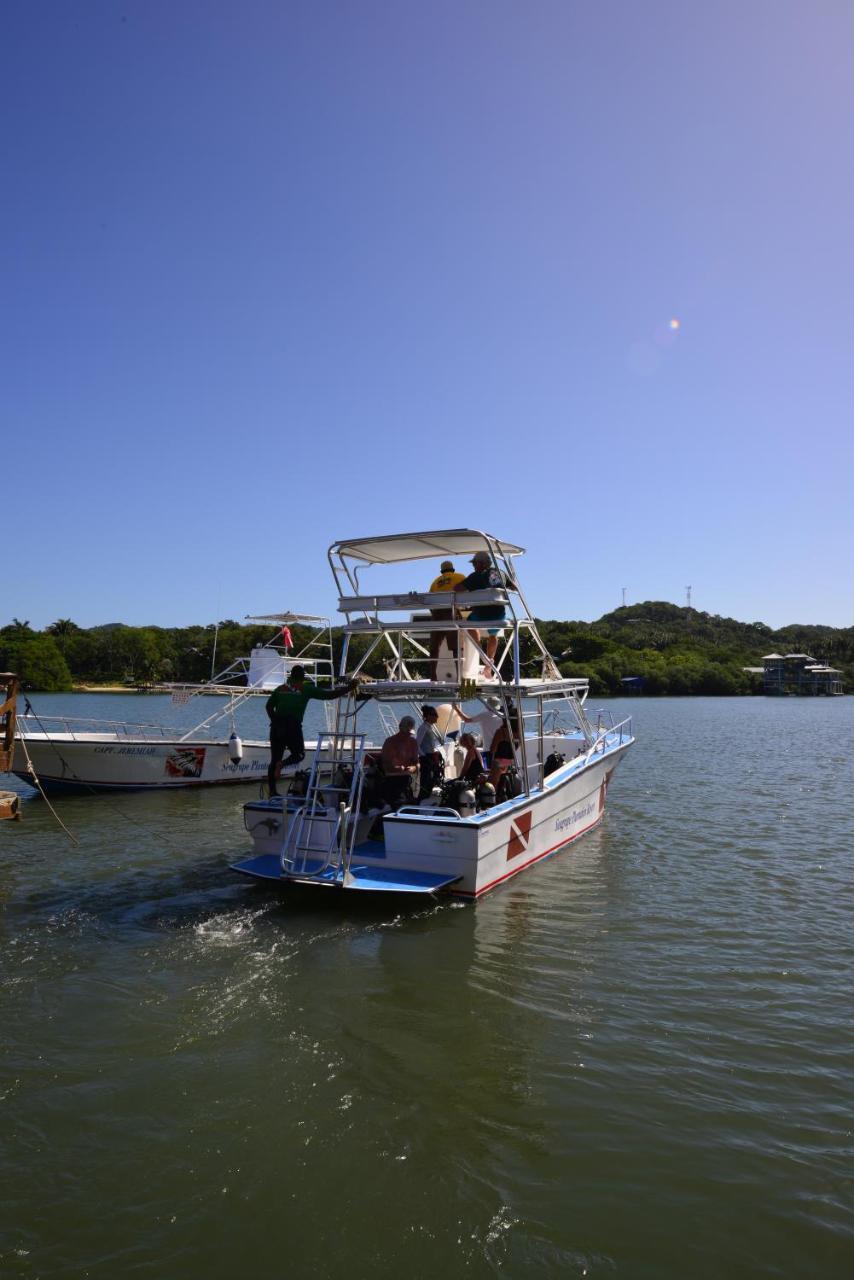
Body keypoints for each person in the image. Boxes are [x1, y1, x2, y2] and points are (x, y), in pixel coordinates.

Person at [265, 664, 352, 796]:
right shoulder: (305, 689)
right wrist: (349, 688)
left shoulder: (280, 689)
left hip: (276, 727)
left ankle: (272, 792)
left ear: (291, 676)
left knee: (274, 759)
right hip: (292, 726)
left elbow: (268, 706)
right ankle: (282, 764)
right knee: (299, 754)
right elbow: (329, 695)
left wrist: (275, 721)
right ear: (303, 677)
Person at [457, 550, 512, 666]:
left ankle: (482, 654)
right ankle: (489, 664)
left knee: (469, 624)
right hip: (498, 615)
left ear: (481, 563)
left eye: (474, 564)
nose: (473, 566)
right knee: (493, 635)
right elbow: (514, 588)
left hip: (480, 616)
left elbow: (457, 588)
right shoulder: (501, 573)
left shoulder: (475, 576)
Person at [427, 559, 466, 680]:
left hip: (437, 614)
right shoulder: (459, 577)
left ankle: (433, 676)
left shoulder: (435, 582)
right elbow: (468, 593)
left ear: (441, 571)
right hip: (452, 612)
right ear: (453, 570)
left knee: (434, 648)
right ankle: (460, 676)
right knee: (456, 647)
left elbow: (429, 601)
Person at [380, 715, 419, 809]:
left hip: (406, 780)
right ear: (400, 727)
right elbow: (385, 765)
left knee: (413, 805)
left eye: (409, 733)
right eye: (406, 732)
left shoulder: (413, 742)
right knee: (400, 804)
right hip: (392, 780)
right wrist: (397, 768)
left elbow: (417, 763)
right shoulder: (390, 742)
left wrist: (414, 767)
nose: (407, 735)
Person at [416, 704, 445, 798]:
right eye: (434, 715)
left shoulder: (429, 727)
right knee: (426, 780)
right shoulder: (423, 727)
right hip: (426, 758)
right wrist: (424, 756)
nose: (437, 717)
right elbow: (417, 745)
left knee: (431, 780)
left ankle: (426, 797)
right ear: (428, 716)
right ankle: (422, 798)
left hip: (431, 756)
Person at [488, 714, 519, 791]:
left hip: (499, 762)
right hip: (511, 762)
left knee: (491, 786)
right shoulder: (519, 733)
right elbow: (517, 747)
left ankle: (493, 799)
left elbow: (492, 748)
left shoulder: (501, 732)